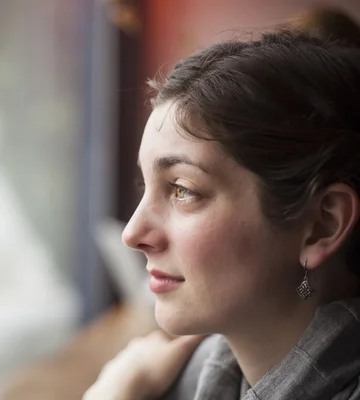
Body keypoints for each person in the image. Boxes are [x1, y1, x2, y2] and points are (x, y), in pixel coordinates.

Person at [84, 8, 360, 400]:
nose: (133, 234)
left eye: (182, 189)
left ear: (322, 224)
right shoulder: (182, 375)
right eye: (144, 185)